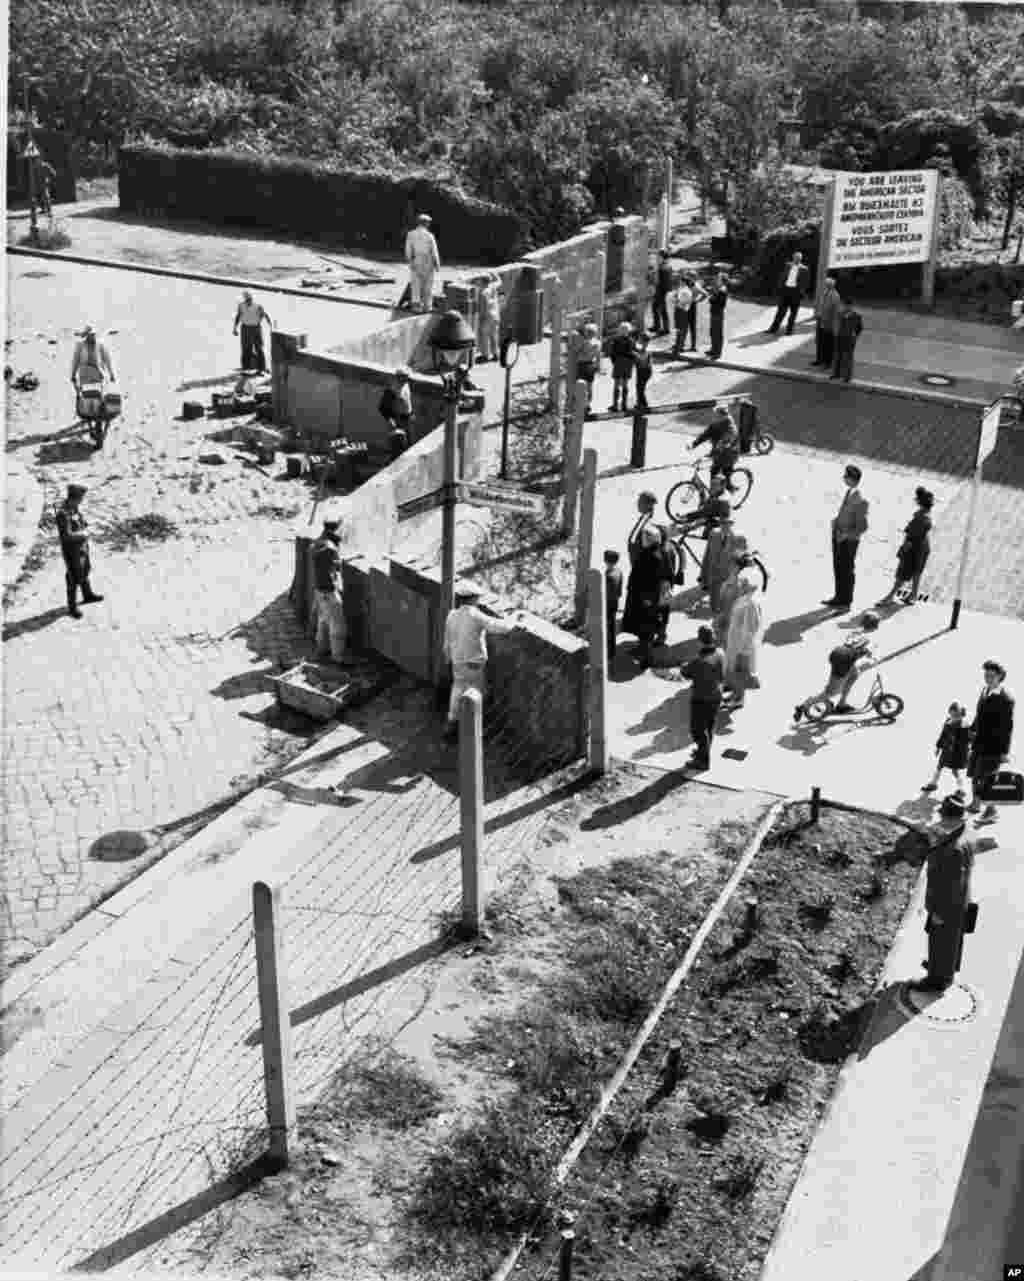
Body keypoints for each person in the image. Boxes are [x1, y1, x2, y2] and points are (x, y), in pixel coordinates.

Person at [442, 582, 520, 738]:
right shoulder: (475, 615)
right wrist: (514, 618)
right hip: (474, 662)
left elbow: (447, 641)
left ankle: (451, 722)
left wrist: (447, 657)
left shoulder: (451, 615)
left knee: (458, 689)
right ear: (472, 599)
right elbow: (501, 627)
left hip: (457, 660)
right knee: (478, 694)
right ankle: (473, 729)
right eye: (477, 598)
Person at [793, 610, 880, 720]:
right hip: (844, 660)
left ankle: (842, 705)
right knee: (832, 692)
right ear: (875, 626)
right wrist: (871, 657)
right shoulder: (867, 639)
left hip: (841, 654)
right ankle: (803, 706)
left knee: (854, 674)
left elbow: (853, 645)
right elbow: (867, 650)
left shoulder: (856, 631)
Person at [967, 660, 1014, 820]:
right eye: (986, 675)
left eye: (991, 676)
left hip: (993, 746)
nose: (987, 678)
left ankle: (990, 810)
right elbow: (979, 714)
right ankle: (977, 804)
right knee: (975, 775)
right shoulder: (985, 690)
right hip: (979, 742)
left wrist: (1003, 752)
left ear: (1000, 677)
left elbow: (1007, 728)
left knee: (985, 778)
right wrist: (971, 729)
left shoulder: (1006, 699)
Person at [621, 523, 672, 668]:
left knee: (645, 627)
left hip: (646, 598)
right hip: (656, 596)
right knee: (654, 623)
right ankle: (651, 645)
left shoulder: (649, 556)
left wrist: (647, 599)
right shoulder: (664, 551)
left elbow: (647, 579)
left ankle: (646, 657)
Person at [824, 463, 869, 612]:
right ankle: (838, 597)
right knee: (838, 568)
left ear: (853, 479)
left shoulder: (861, 500)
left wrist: (846, 534)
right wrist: (836, 521)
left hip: (848, 541)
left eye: (846, 476)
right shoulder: (850, 492)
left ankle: (846, 602)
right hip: (838, 536)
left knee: (847, 570)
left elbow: (863, 527)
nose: (843, 478)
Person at [56, 484, 104, 619]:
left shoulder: (74, 508)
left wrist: (86, 526)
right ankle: (72, 607)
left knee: (85, 570)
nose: (81, 501)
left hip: (82, 547)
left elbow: (80, 521)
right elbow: (66, 536)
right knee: (73, 576)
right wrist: (83, 534)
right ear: (73, 498)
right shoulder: (63, 514)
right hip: (71, 551)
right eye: (80, 499)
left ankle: (87, 595)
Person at [880, 487, 934, 605]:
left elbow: (911, 536)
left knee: (903, 572)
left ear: (919, 502)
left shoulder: (920, 517)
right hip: (923, 546)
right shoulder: (926, 516)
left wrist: (904, 547)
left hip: (914, 547)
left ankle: (890, 596)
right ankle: (913, 595)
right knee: (916, 572)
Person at [682, 625, 725, 770]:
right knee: (709, 726)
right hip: (716, 696)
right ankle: (703, 752)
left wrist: (684, 666)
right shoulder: (720, 653)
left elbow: (685, 672)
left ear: (699, 641)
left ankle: (703, 760)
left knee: (697, 729)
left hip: (701, 698)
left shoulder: (698, 661)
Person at [70, 323, 117, 450]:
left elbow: (107, 359)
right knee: (87, 396)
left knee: (98, 396)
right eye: (90, 335)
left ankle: (96, 418)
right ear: (86, 336)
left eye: (94, 335)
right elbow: (75, 360)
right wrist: (73, 374)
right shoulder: (80, 346)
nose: (92, 337)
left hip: (98, 374)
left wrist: (111, 374)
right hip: (85, 375)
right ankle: (91, 415)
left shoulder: (100, 345)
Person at [724, 566, 764, 708]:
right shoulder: (746, 598)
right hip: (736, 641)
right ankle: (735, 694)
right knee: (736, 671)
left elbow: (751, 628)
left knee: (741, 672)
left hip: (742, 645)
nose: (739, 584)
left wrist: (744, 650)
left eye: (742, 582)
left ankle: (739, 699)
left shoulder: (751, 603)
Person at [311, 518, 349, 664]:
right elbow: (330, 568)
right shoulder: (329, 548)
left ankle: (322, 650)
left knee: (324, 621)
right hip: (328, 591)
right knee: (337, 626)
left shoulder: (318, 543)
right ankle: (338, 657)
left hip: (320, 591)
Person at [922, 702, 970, 797]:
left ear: (961, 715)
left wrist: (967, 753)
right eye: (951, 715)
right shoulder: (948, 721)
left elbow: (968, 742)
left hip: (957, 753)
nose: (953, 717)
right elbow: (943, 735)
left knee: (955, 771)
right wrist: (938, 747)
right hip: (946, 750)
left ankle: (961, 789)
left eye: (956, 715)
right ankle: (933, 784)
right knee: (939, 766)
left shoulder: (965, 726)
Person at [690, 404, 740, 485]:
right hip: (718, 453)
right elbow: (704, 435)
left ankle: (729, 488)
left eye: (717, 415)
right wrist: (693, 444)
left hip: (730, 453)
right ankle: (715, 493)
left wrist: (721, 445)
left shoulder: (730, 426)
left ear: (722, 415)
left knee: (723, 473)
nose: (714, 417)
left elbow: (730, 436)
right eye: (715, 415)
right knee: (714, 473)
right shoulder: (714, 425)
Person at [767, 251, 810, 335]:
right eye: (795, 257)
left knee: (793, 313)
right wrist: (780, 288)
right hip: (786, 290)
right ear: (793, 258)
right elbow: (782, 277)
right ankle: (773, 329)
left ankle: (789, 330)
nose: (797, 259)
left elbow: (806, 283)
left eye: (798, 258)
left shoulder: (804, 269)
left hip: (796, 292)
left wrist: (801, 293)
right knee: (780, 311)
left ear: (801, 259)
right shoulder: (787, 265)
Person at [404, 213, 441, 313]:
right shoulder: (430, 236)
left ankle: (416, 306)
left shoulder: (411, 234)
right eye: (428, 223)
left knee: (416, 284)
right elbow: (434, 251)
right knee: (428, 284)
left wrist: (410, 261)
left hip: (416, 259)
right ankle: (427, 306)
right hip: (428, 261)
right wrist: (437, 264)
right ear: (426, 224)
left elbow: (408, 250)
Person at [233, 292, 273, 374]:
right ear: (244, 300)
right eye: (247, 300)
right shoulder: (241, 306)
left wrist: (271, 326)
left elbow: (265, 315)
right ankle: (246, 367)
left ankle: (262, 368)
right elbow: (238, 316)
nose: (249, 301)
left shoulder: (258, 306)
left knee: (259, 348)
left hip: (256, 328)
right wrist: (235, 327)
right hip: (245, 328)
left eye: (250, 299)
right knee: (245, 348)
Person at [831, 294, 863, 383]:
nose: (846, 307)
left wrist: (855, 335)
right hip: (839, 337)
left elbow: (860, 328)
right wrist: (836, 333)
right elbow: (836, 324)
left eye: (848, 306)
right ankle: (836, 374)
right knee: (837, 356)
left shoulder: (856, 316)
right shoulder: (840, 314)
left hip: (850, 339)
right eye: (845, 305)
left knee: (848, 358)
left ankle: (847, 376)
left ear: (851, 306)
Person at [812, 274, 840, 370]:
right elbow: (820, 305)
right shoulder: (824, 293)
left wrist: (831, 323)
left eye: (827, 284)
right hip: (821, 319)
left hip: (828, 322)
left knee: (828, 343)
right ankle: (819, 359)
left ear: (831, 285)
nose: (825, 285)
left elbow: (834, 311)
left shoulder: (835, 295)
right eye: (825, 284)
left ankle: (827, 362)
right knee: (820, 341)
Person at [379, 367, 413, 443]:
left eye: (407, 376)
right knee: (399, 443)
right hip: (397, 420)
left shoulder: (406, 385)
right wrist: (390, 419)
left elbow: (407, 400)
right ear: (398, 377)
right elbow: (382, 407)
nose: (406, 378)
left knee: (408, 443)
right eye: (404, 376)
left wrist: (411, 413)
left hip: (407, 419)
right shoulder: (392, 390)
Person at [575, 322, 602, 418]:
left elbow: (576, 351)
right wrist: (598, 366)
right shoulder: (598, 343)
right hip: (591, 364)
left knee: (581, 386)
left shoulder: (584, 342)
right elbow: (598, 356)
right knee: (590, 387)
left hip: (582, 365)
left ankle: (582, 405)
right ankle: (588, 404)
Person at [609, 322, 635, 413]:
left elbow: (612, 353)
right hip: (628, 363)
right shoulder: (631, 341)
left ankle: (615, 405)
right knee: (625, 384)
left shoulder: (616, 340)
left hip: (618, 362)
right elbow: (633, 353)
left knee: (616, 384)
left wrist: (615, 362)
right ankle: (624, 405)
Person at [477, 272, 503, 361]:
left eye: (479, 281)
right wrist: (494, 274)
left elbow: (484, 306)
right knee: (494, 335)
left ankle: (485, 355)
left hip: (487, 315)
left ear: (482, 282)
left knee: (484, 336)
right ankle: (496, 354)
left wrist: (481, 317)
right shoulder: (492, 287)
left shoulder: (483, 293)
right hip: (495, 315)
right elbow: (499, 281)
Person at [604, 549, 624, 664]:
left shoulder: (608, 576)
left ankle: (609, 654)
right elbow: (620, 591)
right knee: (611, 628)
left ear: (606, 561)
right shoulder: (619, 571)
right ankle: (611, 653)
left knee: (608, 629)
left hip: (607, 604)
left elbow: (604, 593)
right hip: (615, 602)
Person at [706, 272, 729, 360]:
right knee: (713, 332)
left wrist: (712, 297)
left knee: (717, 333)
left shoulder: (722, 290)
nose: (716, 279)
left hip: (718, 314)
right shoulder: (719, 289)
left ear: (722, 280)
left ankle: (717, 352)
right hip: (715, 313)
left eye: (718, 278)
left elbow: (718, 302)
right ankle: (713, 349)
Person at [682, 273, 707, 353]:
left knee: (692, 326)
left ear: (693, 278)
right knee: (684, 326)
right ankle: (682, 344)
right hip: (685, 305)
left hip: (692, 306)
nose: (689, 278)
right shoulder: (686, 283)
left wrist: (697, 300)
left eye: (690, 277)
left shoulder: (696, 286)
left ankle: (693, 346)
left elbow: (705, 294)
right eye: (688, 276)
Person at [652, 250, 674, 335]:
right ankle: (657, 326)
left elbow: (662, 281)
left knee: (662, 310)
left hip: (662, 291)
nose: (657, 258)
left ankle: (665, 329)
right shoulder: (665, 266)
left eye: (659, 256)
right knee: (655, 308)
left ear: (662, 257)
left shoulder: (664, 267)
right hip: (661, 291)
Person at [671, 275, 694, 357]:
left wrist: (676, 300)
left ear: (684, 282)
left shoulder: (686, 291)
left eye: (681, 281)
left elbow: (682, 302)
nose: (679, 282)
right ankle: (679, 346)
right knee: (680, 329)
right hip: (680, 311)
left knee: (680, 330)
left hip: (681, 311)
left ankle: (678, 349)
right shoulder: (682, 290)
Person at [633, 331, 652, 411]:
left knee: (640, 388)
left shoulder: (645, 350)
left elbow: (642, 360)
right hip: (643, 370)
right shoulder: (642, 349)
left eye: (640, 339)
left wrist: (636, 355)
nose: (639, 341)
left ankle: (643, 404)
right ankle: (640, 403)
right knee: (639, 387)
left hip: (643, 371)